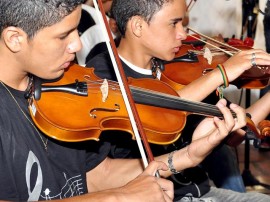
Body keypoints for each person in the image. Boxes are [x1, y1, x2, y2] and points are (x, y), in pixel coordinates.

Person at [0, 0, 255, 201]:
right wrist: (120, 197)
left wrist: (188, 156)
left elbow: (98, 174)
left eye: (76, 31)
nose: (77, 44)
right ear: (15, 38)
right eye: (63, 35)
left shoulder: (64, 85)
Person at [86, 0, 270, 201]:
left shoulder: (179, 72)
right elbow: (158, 109)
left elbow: (235, 136)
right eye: (174, 23)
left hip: (201, 190)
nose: (183, 34)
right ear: (138, 26)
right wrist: (221, 73)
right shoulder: (103, 73)